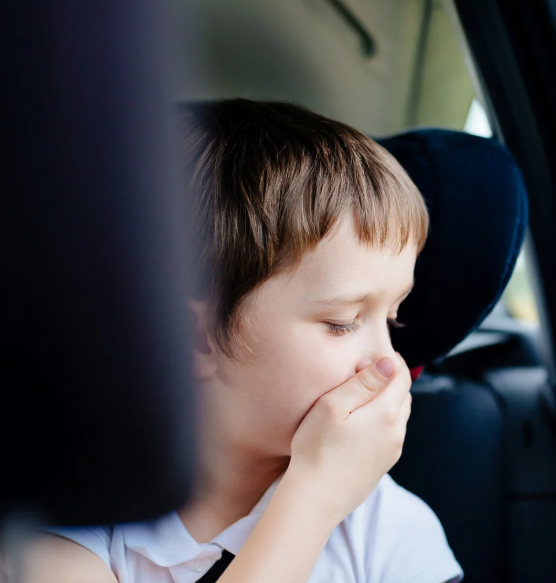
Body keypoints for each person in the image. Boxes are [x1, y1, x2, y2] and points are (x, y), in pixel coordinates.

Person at [21, 99, 463, 583]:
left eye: (393, 319)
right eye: (342, 322)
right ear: (195, 338)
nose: (388, 361)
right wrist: (313, 497)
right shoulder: (64, 517)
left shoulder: (388, 530)